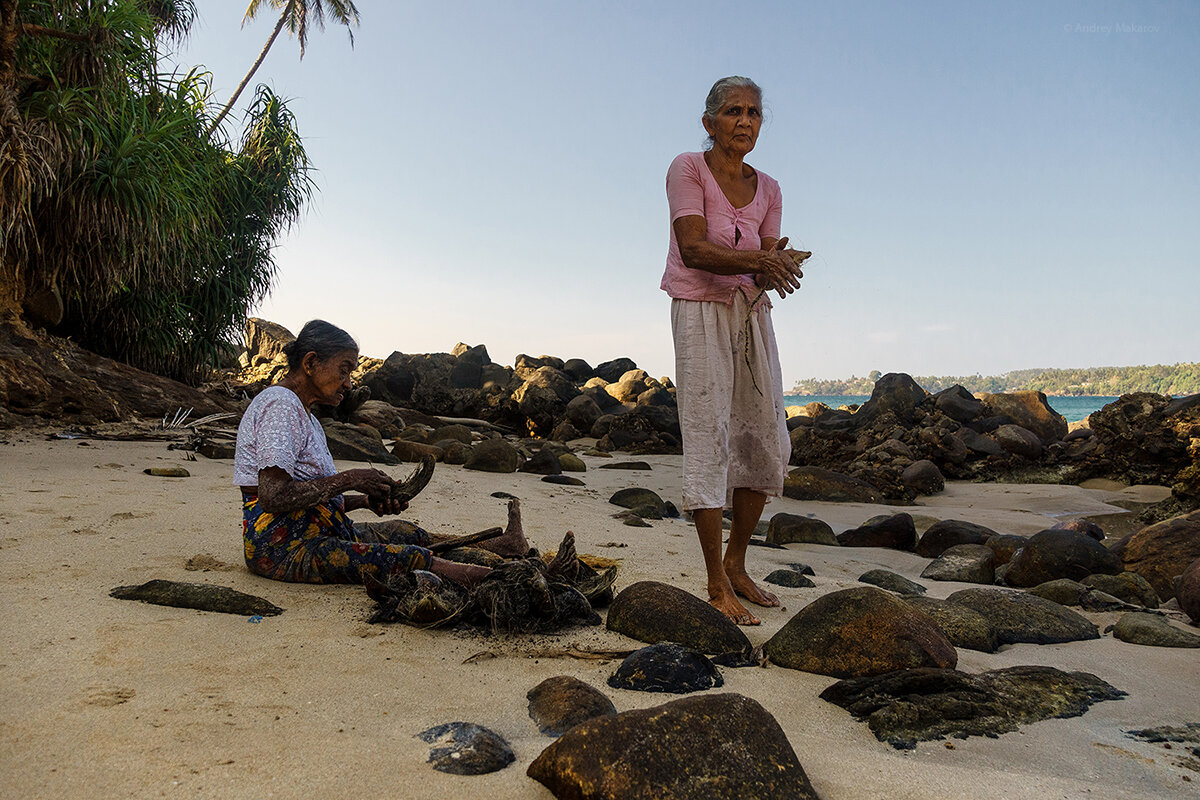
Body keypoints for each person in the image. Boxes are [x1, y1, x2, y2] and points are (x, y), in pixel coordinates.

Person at [661, 76, 809, 625]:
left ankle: (738, 561)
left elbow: (765, 265)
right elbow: (693, 248)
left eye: (753, 112)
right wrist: (760, 263)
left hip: (751, 315)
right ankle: (715, 581)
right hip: (700, 311)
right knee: (708, 434)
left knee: (765, 436)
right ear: (709, 123)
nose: (744, 121)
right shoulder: (687, 168)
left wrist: (781, 267)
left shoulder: (769, 187)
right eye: (732, 111)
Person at [233, 319, 527, 585]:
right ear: (310, 363)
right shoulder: (281, 406)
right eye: (344, 369)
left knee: (404, 531)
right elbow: (273, 497)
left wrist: (363, 500)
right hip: (283, 550)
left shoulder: (303, 415)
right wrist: (351, 479)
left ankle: (503, 547)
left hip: (316, 534)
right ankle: (507, 582)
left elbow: (306, 499)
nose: (348, 383)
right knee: (404, 557)